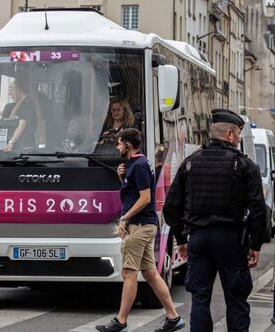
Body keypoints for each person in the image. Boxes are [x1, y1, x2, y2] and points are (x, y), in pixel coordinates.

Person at [162, 109, 266, 332]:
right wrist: (255, 245)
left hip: (198, 239)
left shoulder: (190, 163)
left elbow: (171, 206)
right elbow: (258, 209)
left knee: (200, 299)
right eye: (238, 134)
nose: (238, 139)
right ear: (229, 134)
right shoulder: (246, 166)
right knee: (236, 300)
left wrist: (182, 238)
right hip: (231, 240)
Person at [96, 128, 184, 332]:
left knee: (129, 274)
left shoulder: (140, 165)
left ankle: (121, 321)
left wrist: (124, 219)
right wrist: (121, 178)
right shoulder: (134, 165)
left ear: (128, 145)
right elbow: (133, 194)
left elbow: (145, 198)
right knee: (151, 273)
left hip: (140, 226)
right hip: (142, 224)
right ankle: (173, 317)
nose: (117, 147)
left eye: (119, 143)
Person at [2, 78, 38, 151]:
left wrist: (11, 142)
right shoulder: (23, 103)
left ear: (19, 90)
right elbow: (11, 118)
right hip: (20, 146)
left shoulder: (28, 104)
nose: (10, 94)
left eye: (12, 90)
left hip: (25, 146)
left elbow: (22, 125)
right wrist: (20, 101)